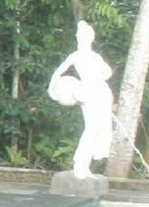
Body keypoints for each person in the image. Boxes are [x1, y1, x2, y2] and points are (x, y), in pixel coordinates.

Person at [48, 20, 114, 176]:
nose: (84, 38)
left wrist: (101, 74)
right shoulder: (75, 56)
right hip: (88, 92)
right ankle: (79, 162)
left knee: (103, 128)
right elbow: (58, 71)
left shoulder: (96, 56)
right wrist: (52, 90)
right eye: (82, 35)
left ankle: (86, 165)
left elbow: (108, 72)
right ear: (78, 37)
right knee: (92, 129)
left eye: (87, 35)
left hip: (102, 92)